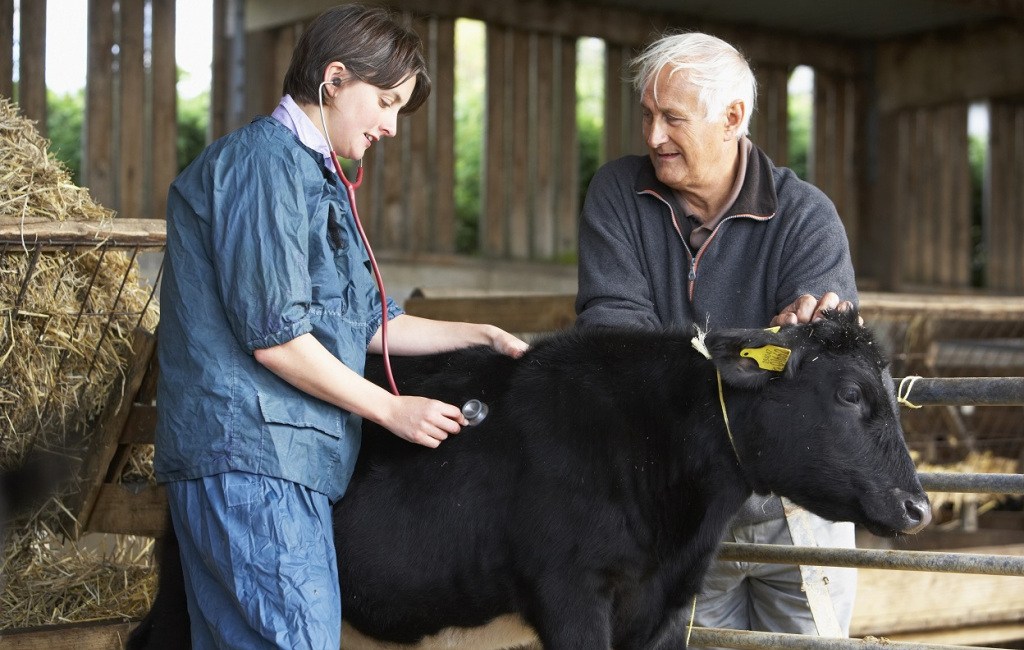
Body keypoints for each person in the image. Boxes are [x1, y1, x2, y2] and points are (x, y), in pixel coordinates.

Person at [154, 5, 528, 649]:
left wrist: (480, 332)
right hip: (252, 457)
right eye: (384, 102)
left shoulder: (313, 176)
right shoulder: (263, 168)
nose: (389, 125)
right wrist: (392, 409)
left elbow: (368, 322)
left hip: (282, 461)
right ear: (333, 80)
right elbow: (276, 339)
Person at [574, 31, 859, 647]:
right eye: (646, 114)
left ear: (733, 118)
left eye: (672, 118)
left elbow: (823, 366)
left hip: (798, 508)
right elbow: (614, 344)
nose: (652, 136)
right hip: (684, 502)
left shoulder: (806, 216)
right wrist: (764, 352)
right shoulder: (618, 194)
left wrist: (808, 348)